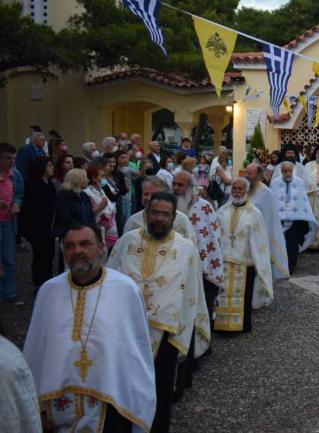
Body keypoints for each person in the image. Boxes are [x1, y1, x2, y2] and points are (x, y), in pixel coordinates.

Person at [24, 223, 156, 432]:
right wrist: (37, 408)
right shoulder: (49, 291)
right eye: (69, 246)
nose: (77, 251)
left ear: (102, 247)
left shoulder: (125, 289)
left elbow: (136, 350)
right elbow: (36, 350)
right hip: (58, 403)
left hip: (110, 402)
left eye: (85, 244)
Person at [107, 192, 209, 433]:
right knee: (123, 386)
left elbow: (192, 292)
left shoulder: (186, 249)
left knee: (160, 390)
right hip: (126, 330)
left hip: (166, 334)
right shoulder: (127, 241)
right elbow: (109, 279)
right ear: (147, 213)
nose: (159, 218)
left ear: (174, 217)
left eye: (165, 214)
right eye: (155, 213)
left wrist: (186, 329)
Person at [215, 178, 272, 332]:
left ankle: (242, 326)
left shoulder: (255, 213)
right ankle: (220, 326)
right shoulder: (221, 211)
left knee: (244, 296)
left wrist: (260, 263)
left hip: (245, 263)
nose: (237, 192)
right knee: (222, 293)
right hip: (224, 260)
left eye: (240, 189)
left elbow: (260, 241)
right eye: (234, 188)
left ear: (246, 191)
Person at [172, 171, 225, 325]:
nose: (175, 188)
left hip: (201, 266)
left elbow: (212, 238)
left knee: (202, 303)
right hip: (175, 265)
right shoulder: (168, 205)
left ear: (190, 187)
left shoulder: (203, 207)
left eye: (180, 185)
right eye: (174, 184)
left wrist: (206, 262)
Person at [245, 163, 289, 286]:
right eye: (246, 173)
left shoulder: (267, 193)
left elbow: (270, 220)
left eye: (250, 174)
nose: (247, 176)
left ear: (259, 175)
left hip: (257, 236)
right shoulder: (243, 188)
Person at [270, 162, 318, 274]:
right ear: (281, 171)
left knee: (293, 244)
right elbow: (272, 200)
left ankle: (290, 267)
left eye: (289, 171)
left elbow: (302, 200)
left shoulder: (299, 182)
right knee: (279, 243)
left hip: (296, 220)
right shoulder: (275, 183)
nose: (287, 173)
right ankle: (279, 265)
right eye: (285, 171)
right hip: (279, 220)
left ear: (293, 171)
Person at [123, 176, 197, 246]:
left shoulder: (181, 220)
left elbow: (190, 248)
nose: (149, 198)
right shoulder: (133, 221)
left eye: (154, 195)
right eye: (145, 194)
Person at [19, 157, 56, 290]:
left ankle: (47, 279)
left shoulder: (49, 184)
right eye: (49, 165)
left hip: (49, 225)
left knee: (49, 254)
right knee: (40, 255)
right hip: (37, 226)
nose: (52, 167)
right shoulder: (33, 185)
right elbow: (30, 209)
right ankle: (40, 282)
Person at [0, 143, 21, 304]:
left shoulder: (15, 174)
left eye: (13, 158)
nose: (11, 162)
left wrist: (17, 203)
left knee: (9, 259)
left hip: (8, 222)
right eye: (8, 158)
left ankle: (9, 292)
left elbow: (20, 191)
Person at [85, 166, 117, 249]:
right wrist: (101, 207)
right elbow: (90, 213)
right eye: (102, 176)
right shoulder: (87, 192)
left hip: (108, 227)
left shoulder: (101, 190)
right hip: (97, 228)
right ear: (93, 178)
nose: (104, 179)